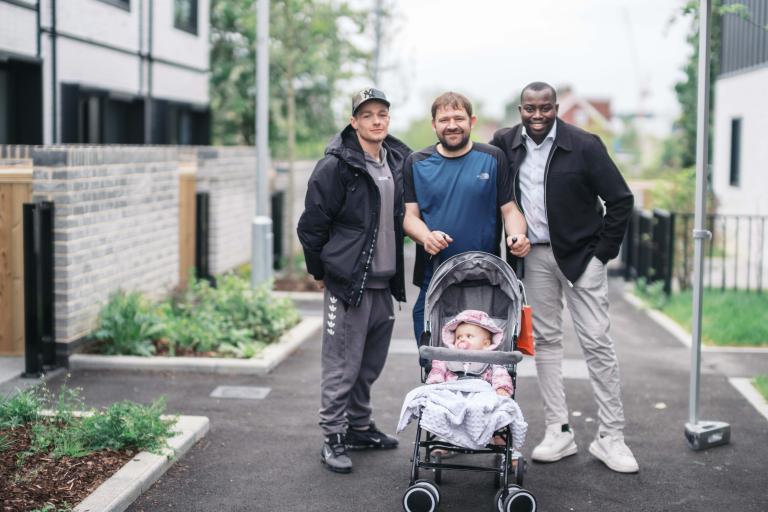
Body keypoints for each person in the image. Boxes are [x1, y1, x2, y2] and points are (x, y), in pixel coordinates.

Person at [489, 81, 638, 473]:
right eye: (529, 109)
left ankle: (612, 437)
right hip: (534, 256)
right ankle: (559, 430)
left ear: (555, 108)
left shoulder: (584, 144)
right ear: (519, 109)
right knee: (547, 343)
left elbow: (620, 200)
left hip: (582, 258)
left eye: (545, 108)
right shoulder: (506, 143)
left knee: (597, 343)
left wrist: (601, 255)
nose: (537, 116)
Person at [297, 88, 411, 474]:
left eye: (382, 114)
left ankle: (359, 427)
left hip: (383, 284)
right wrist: (323, 273)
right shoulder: (335, 167)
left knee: (369, 365)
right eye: (367, 115)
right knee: (341, 365)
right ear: (354, 121)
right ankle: (333, 435)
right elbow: (311, 228)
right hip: (348, 285)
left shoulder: (397, 160)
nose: (376, 120)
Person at [403, 92, 531, 348]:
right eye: (444, 119)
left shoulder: (493, 157)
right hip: (435, 277)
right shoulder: (416, 162)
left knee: (487, 359)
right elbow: (409, 216)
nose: (452, 125)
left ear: (471, 121)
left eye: (458, 118)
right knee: (433, 358)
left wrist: (517, 236)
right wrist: (426, 236)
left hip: (486, 278)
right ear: (434, 124)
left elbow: (510, 210)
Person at [426, 309, 513, 397]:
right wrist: (435, 384)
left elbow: (500, 375)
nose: (462, 339)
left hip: (480, 394)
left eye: (469, 336)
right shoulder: (447, 357)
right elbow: (437, 370)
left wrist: (501, 388)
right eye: (459, 337)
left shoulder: (492, 359)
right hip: (452, 393)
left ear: (486, 343)